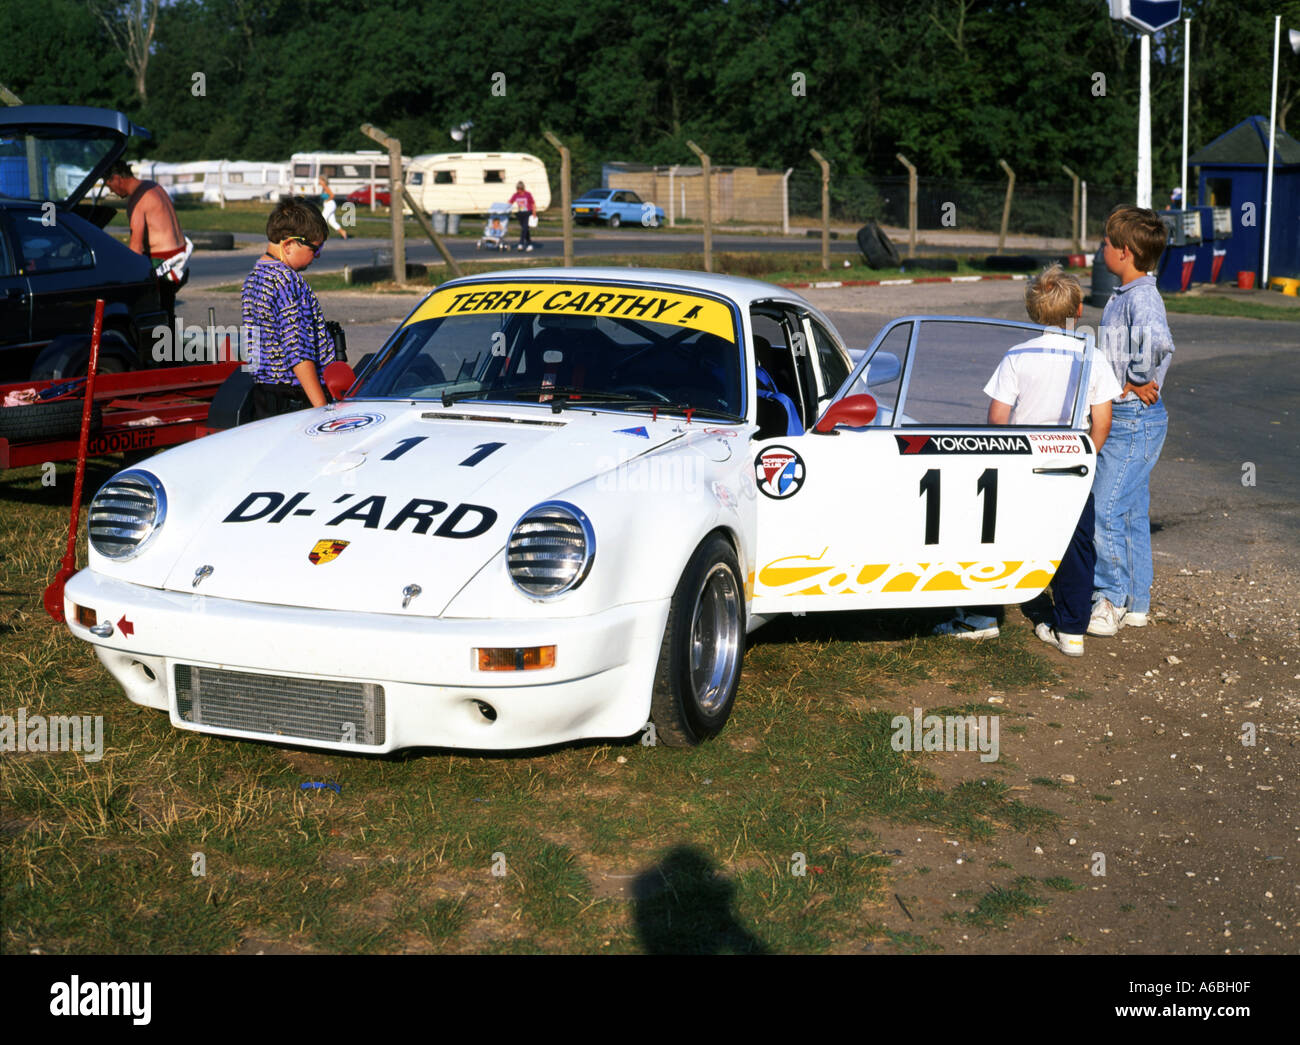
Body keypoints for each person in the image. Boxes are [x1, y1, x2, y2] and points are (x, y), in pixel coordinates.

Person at [981, 265, 1122, 656]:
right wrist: (1085, 459)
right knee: (1077, 544)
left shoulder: (1016, 356)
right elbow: (1102, 422)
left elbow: (997, 419)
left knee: (1009, 535)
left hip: (1024, 460)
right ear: (1077, 311)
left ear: (1032, 311)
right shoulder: (1091, 356)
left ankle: (986, 612)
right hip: (1071, 460)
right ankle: (1072, 629)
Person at [1089, 205, 1174, 637]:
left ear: (1123, 252)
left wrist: (1134, 381)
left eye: (1104, 243)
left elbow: (1157, 343)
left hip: (1130, 420)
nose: (1099, 248)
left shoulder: (1141, 297)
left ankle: (1109, 599)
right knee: (1132, 513)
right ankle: (1138, 601)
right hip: (1134, 416)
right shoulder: (1127, 295)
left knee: (1105, 509)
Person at [241, 197, 335, 420]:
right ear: (289, 244)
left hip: (264, 392)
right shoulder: (287, 282)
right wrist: (321, 408)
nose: (318, 255)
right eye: (315, 247)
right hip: (296, 396)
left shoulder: (254, 277)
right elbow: (297, 350)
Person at [104, 159, 193, 326]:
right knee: (167, 312)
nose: (112, 192)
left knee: (155, 315)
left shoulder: (137, 202)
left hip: (165, 263)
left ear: (116, 178)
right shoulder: (152, 186)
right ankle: (172, 348)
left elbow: (136, 249)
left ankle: (166, 350)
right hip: (180, 255)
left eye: (110, 187)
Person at [508, 180, 535, 251]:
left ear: (522, 188)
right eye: (517, 189)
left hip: (528, 213)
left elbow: (532, 203)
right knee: (525, 229)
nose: (518, 190)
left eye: (519, 189)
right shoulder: (516, 195)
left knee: (524, 228)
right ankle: (529, 244)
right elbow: (510, 202)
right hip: (521, 214)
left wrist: (534, 213)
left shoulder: (528, 194)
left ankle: (521, 243)